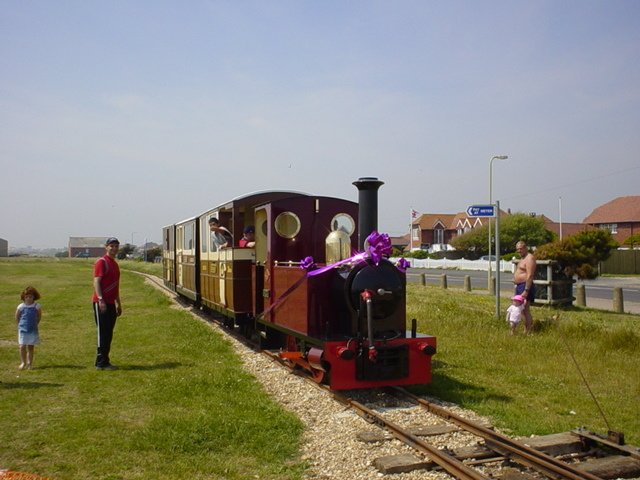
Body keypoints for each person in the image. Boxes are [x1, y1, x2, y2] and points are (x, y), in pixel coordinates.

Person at [92, 237, 122, 370]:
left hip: (111, 302)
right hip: (102, 303)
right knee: (102, 332)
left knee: (109, 332)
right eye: (112, 246)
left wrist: (118, 303)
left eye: (116, 246)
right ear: (106, 247)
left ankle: (105, 360)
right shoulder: (101, 262)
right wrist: (100, 299)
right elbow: (97, 281)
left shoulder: (115, 264)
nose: (114, 248)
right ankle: (101, 362)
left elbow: (116, 286)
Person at [15, 286, 42, 370]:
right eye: (27, 297)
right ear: (23, 297)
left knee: (30, 347)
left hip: (32, 330)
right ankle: (23, 362)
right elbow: (17, 316)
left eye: (31, 297)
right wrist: (20, 325)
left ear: (34, 297)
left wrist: (36, 323)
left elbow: (39, 316)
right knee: (22, 346)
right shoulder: (21, 306)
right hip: (23, 330)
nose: (29, 298)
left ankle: (30, 363)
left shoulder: (37, 306)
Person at [514, 240, 536, 334]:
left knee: (525, 309)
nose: (519, 251)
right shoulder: (522, 258)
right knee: (521, 309)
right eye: (517, 249)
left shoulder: (529, 258)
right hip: (520, 286)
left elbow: (530, 275)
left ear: (525, 248)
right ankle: (525, 329)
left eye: (521, 249)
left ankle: (527, 331)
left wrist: (526, 290)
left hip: (525, 286)